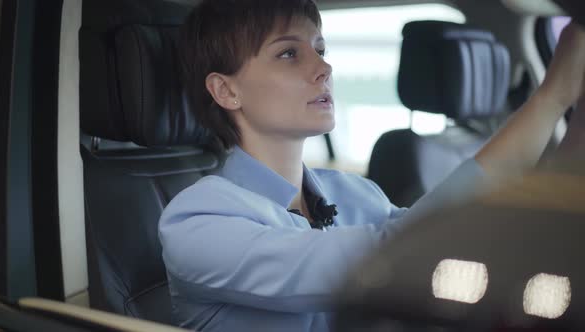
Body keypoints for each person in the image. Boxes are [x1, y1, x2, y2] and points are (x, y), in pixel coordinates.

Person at [159, 0, 585, 331]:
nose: (323, 68)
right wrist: (551, 98)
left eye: (320, 49)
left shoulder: (354, 193)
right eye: (289, 54)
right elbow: (414, 253)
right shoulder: (196, 220)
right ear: (226, 90)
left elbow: (445, 246)